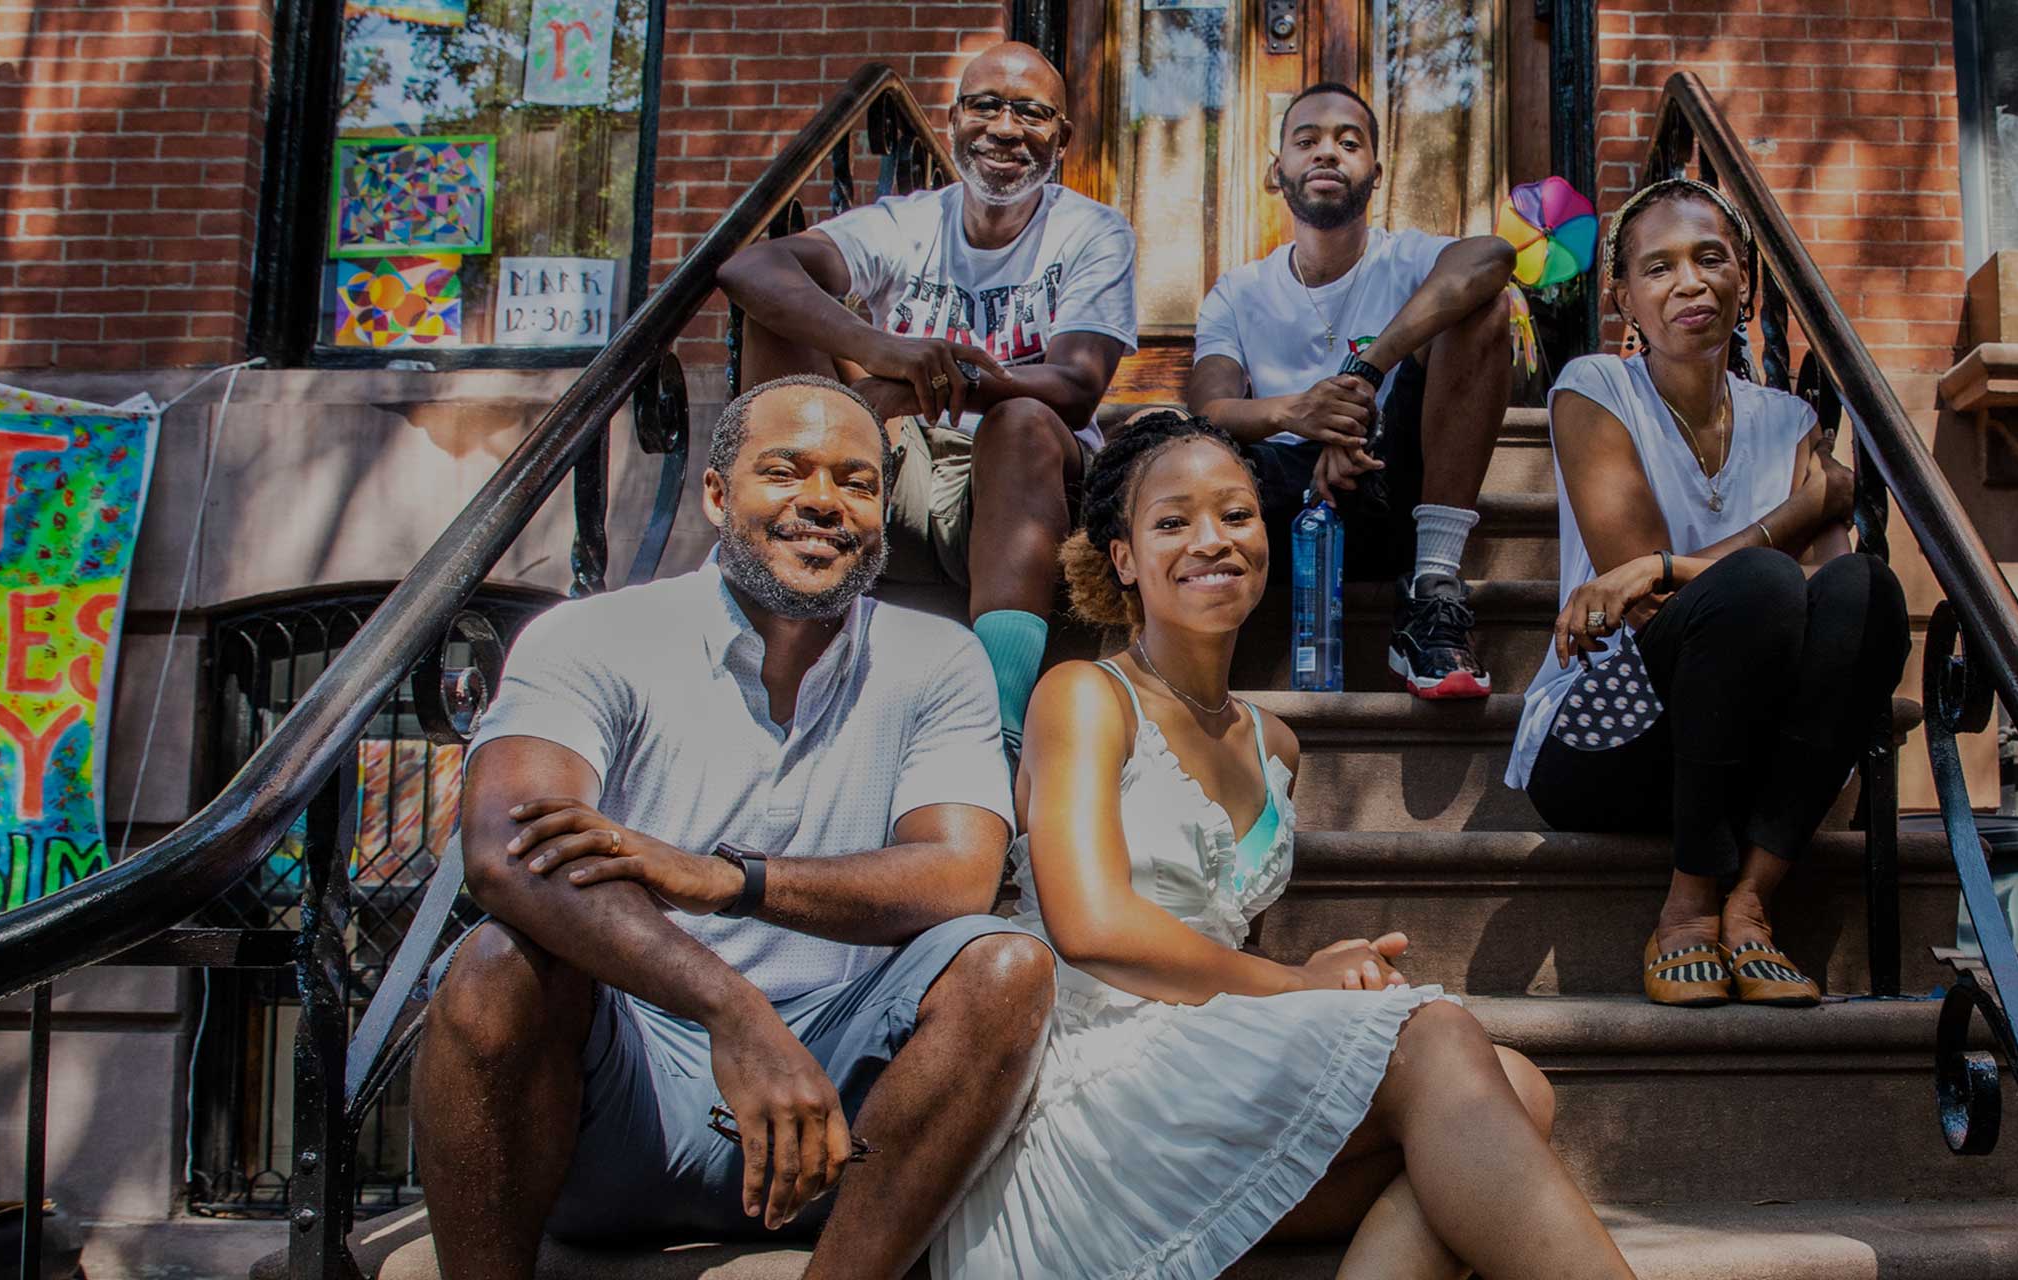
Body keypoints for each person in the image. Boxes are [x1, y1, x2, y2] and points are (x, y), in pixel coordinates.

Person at [933, 413, 1635, 1280]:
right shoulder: (1083, 697)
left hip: (1204, 1068)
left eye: (1236, 515)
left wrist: (1324, 979)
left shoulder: (1276, 745)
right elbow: (1092, 926)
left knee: (1515, 1086)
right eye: (1172, 522)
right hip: (1100, 1088)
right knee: (1442, 1040)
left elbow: (1223, 945)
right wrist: (1303, 987)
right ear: (1124, 560)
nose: (1211, 540)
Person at [412, 375, 1058, 1280]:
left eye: (859, 482)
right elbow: (503, 852)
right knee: (493, 966)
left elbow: (955, 874)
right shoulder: (595, 638)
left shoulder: (936, 657)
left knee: (1006, 964)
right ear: (717, 495)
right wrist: (732, 1009)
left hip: (849, 1108)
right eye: (785, 472)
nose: (824, 503)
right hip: (621, 1086)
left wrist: (729, 879)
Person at [1502, 180, 1909, 1009]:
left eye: (1711, 258)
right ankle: (1689, 903)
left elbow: (1828, 597)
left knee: (1869, 587)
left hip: (1744, 747)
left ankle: (1751, 902)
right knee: (1756, 584)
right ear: (1625, 300)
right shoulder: (1593, 391)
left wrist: (1664, 565)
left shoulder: (1789, 418)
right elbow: (1643, 602)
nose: (1689, 283)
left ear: (1745, 284)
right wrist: (1797, 511)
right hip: (1610, 734)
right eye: (1659, 268)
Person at [718, 41, 1135, 753]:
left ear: (1061, 139)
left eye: (1031, 113)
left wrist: (905, 386)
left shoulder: (1091, 231)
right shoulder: (904, 222)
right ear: (953, 121)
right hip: (894, 474)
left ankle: (996, 727)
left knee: (1023, 420)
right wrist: (880, 350)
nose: (1005, 127)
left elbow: (1073, 388)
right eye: (986, 106)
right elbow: (752, 267)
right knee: (773, 316)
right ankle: (775, 605)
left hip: (1027, 490)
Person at [1186, 82, 1517, 699]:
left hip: (1391, 487)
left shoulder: (1408, 257)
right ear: (1275, 171)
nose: (1327, 154)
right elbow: (1208, 409)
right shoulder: (1239, 291)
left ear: (1377, 172)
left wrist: (1363, 381)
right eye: (1306, 141)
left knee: (1483, 309)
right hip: (1280, 502)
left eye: (1348, 142)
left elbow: (1493, 255)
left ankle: (1433, 591)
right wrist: (1305, 414)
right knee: (1194, 456)